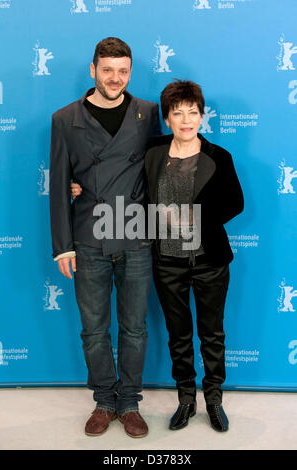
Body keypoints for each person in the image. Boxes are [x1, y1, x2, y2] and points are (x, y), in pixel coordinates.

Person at [49, 37, 160, 438]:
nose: (116, 78)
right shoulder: (64, 119)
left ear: (130, 72)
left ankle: (129, 402)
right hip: (89, 237)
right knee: (94, 328)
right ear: (92, 70)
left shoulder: (149, 113)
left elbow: (158, 169)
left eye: (123, 70)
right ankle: (104, 400)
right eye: (108, 69)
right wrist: (62, 244)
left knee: (134, 327)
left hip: (133, 233)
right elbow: (60, 185)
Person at [144, 80, 244, 432]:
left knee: (212, 333)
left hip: (210, 261)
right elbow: (126, 187)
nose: (186, 120)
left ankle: (214, 399)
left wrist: (191, 217)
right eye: (178, 113)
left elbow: (235, 203)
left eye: (193, 112)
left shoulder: (219, 157)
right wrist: (77, 184)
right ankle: (186, 399)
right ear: (167, 117)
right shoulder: (152, 153)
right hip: (167, 261)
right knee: (178, 334)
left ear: (202, 116)